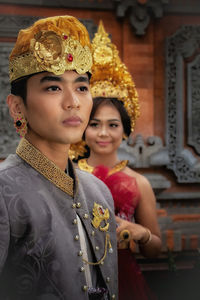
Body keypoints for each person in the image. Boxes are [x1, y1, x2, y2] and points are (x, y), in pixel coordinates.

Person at [0, 16, 118, 300]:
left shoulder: (98, 191)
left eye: (81, 87)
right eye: (53, 87)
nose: (73, 102)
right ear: (18, 107)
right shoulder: (4, 192)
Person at [71, 21, 162, 300]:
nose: (103, 133)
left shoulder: (139, 183)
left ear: (125, 130)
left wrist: (141, 233)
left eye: (113, 125)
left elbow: (155, 248)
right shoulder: (67, 175)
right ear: (83, 128)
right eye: (95, 124)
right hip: (75, 276)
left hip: (125, 280)